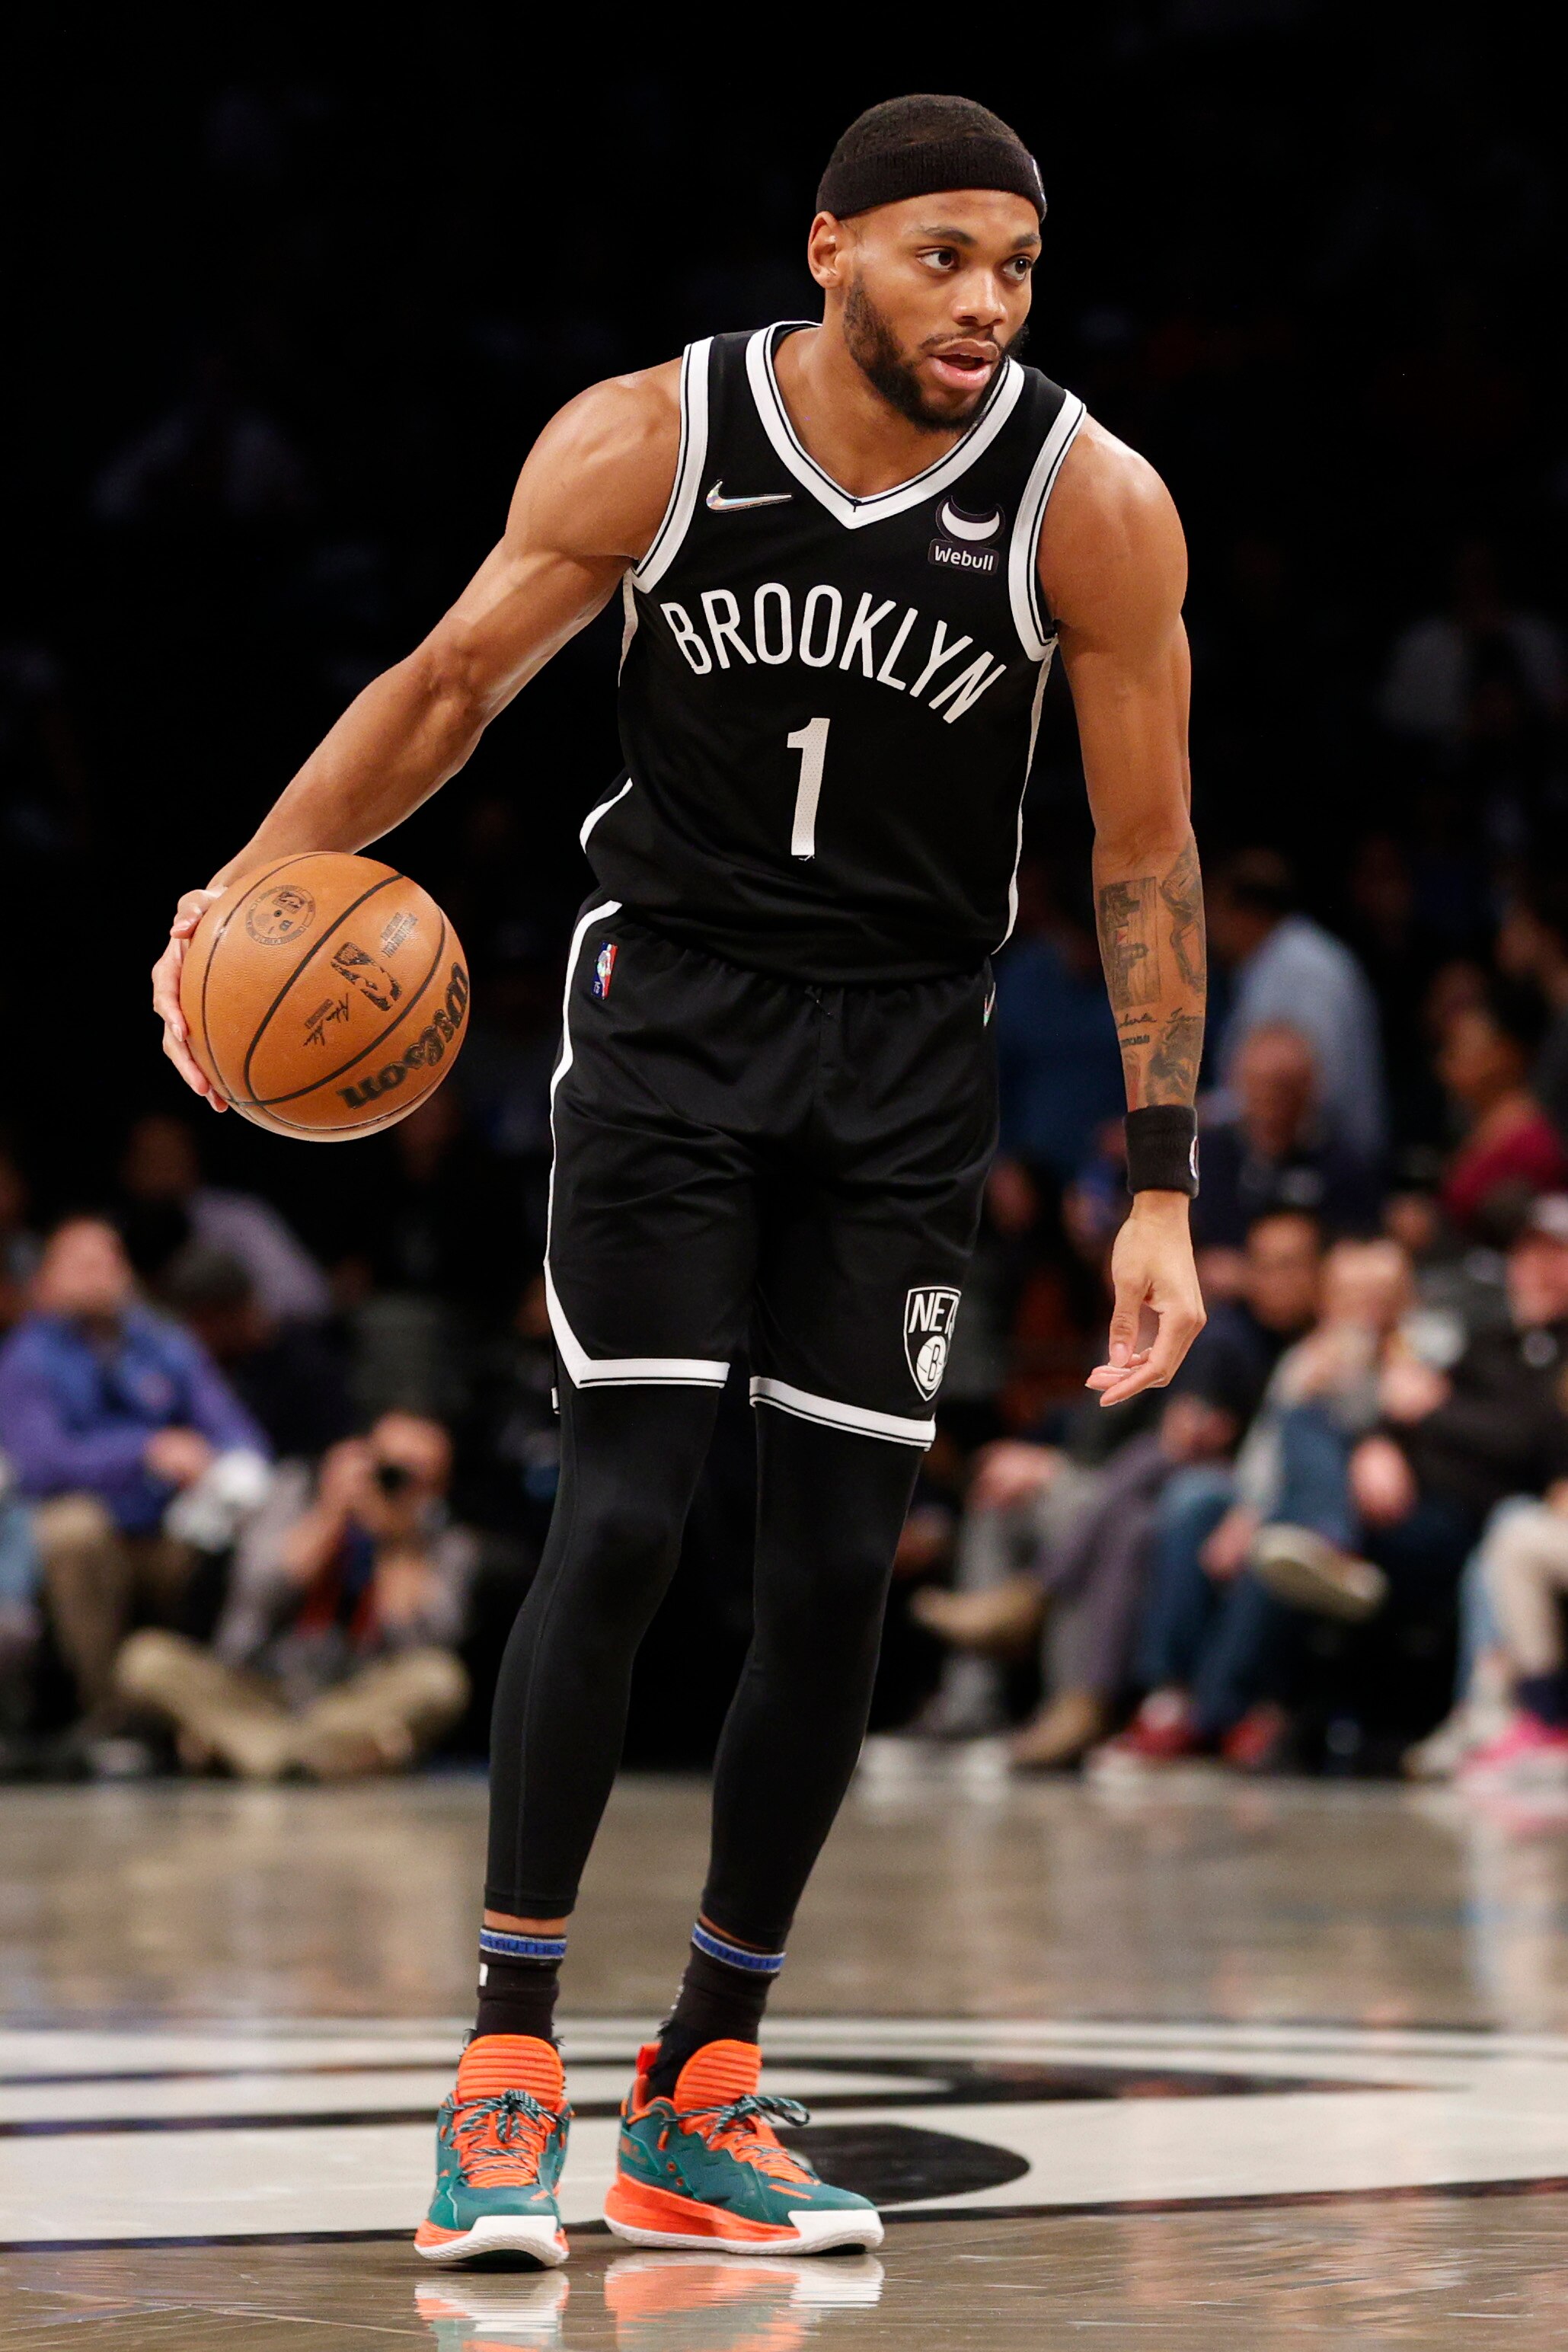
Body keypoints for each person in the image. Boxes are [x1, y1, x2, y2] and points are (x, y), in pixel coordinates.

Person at [152, 94, 1207, 2265]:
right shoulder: (653, 438)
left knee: (832, 1578)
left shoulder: (1086, 502)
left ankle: (702, 2085)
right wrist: (247, 891)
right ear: (826, 249)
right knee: (624, 1510)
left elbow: (1139, 854)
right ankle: (506, 2066)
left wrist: (1165, 1183)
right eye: (941, 255)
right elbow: (448, 688)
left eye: (1015, 265)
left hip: (906, 1061)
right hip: (670, 1027)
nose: (986, 304)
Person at [0, 1217, 267, 1739]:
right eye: (80, 1264)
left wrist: (220, 1471)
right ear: (46, 1280)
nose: (98, 1276)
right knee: (74, 1530)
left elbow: (239, 1438)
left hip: (163, 1529)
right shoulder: (27, 1358)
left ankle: (221, 1707)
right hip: (77, 1533)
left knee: (251, 1523)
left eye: (109, 1261)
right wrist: (144, 1450)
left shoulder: (165, 1344)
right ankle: (111, 1717)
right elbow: (42, 1465)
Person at [116, 1412, 472, 1781]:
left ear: (438, 1486)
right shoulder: (294, 1491)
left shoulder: (445, 1543)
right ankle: (306, 1759)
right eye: (387, 1466)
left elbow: (424, 1645)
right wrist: (330, 1514)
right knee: (145, 1659)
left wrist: (399, 1545)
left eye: (415, 1475)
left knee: (441, 1679)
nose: (393, 1483)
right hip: (255, 1689)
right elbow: (257, 1593)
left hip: (351, 1703)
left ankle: (267, 1756)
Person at [1208, 849, 1388, 1167]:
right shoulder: (1267, 963)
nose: (1208, 929)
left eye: (1213, 912)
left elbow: (1316, 1086)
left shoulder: (1307, 968)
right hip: (1284, 1158)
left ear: (1244, 912)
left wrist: (1191, 1122)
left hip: (1331, 1168)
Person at [1191, 1021, 1381, 1262]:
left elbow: (1357, 1251)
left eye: (1283, 1085)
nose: (1271, 1097)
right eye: (1261, 1083)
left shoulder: (1342, 1166)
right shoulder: (1203, 1158)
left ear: (1310, 1086)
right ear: (1237, 1083)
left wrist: (1257, 1278)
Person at [118, 1112, 332, 1323]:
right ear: (127, 1166)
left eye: (171, 1156)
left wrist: (237, 1318)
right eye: (151, 1158)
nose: (163, 1169)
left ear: (193, 1160)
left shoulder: (239, 1218)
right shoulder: (107, 1235)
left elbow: (307, 1297)